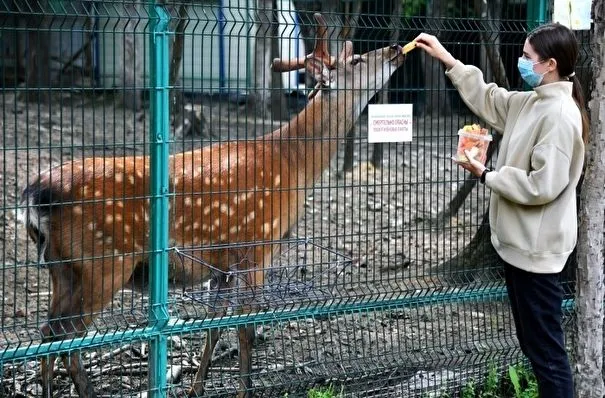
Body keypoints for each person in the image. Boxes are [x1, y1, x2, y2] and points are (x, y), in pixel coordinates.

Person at [414, 23, 589, 398]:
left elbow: (543, 186)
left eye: (528, 57)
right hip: (519, 249)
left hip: (536, 254)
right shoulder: (533, 101)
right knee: (536, 349)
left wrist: (488, 174)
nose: (521, 62)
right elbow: (491, 98)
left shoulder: (559, 114)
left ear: (550, 64)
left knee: (548, 356)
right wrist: (447, 59)